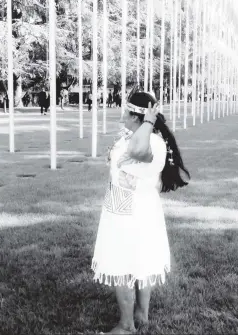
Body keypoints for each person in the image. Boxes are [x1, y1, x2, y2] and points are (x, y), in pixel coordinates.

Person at [91, 91, 190, 334]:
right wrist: (143, 125)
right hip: (138, 205)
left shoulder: (148, 141)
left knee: (122, 262)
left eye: (126, 112)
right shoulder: (144, 137)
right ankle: (141, 315)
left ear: (136, 117)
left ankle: (126, 326)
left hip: (127, 209)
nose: (121, 116)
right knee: (140, 260)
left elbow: (136, 153)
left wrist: (148, 120)